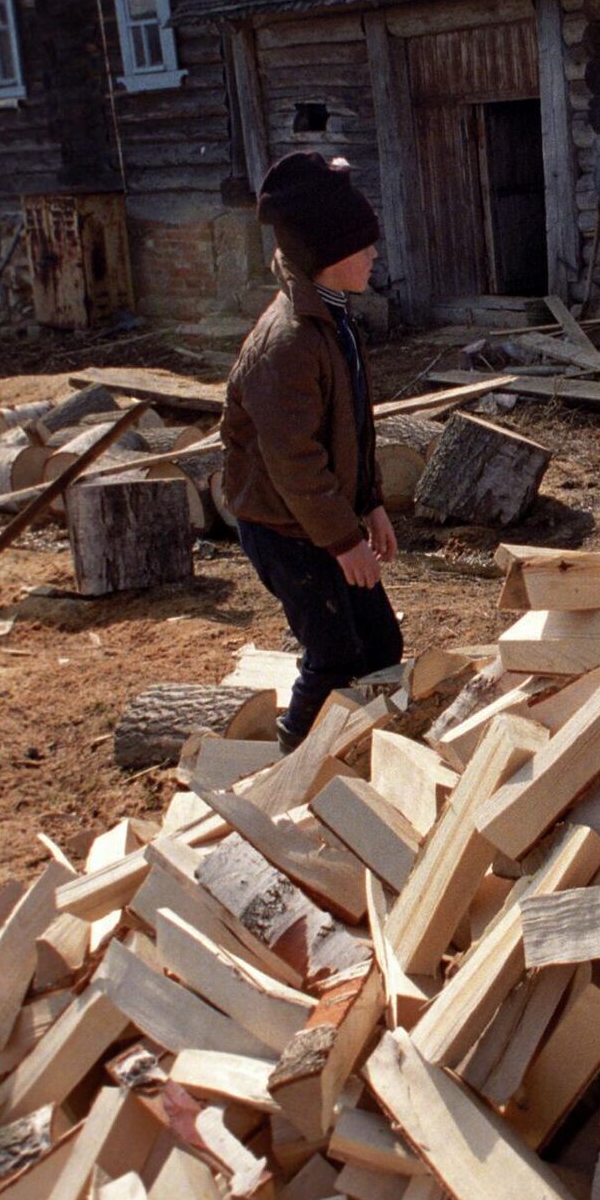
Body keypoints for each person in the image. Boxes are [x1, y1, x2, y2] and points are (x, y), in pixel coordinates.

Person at [222, 151, 402, 751]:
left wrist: (370, 503)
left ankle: (369, 749)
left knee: (381, 646)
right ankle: (293, 761)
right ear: (327, 255)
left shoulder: (334, 319)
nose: (375, 254)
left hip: (321, 520)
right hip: (284, 527)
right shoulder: (289, 343)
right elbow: (294, 461)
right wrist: (343, 541)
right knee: (334, 654)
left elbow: (350, 426)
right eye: (364, 245)